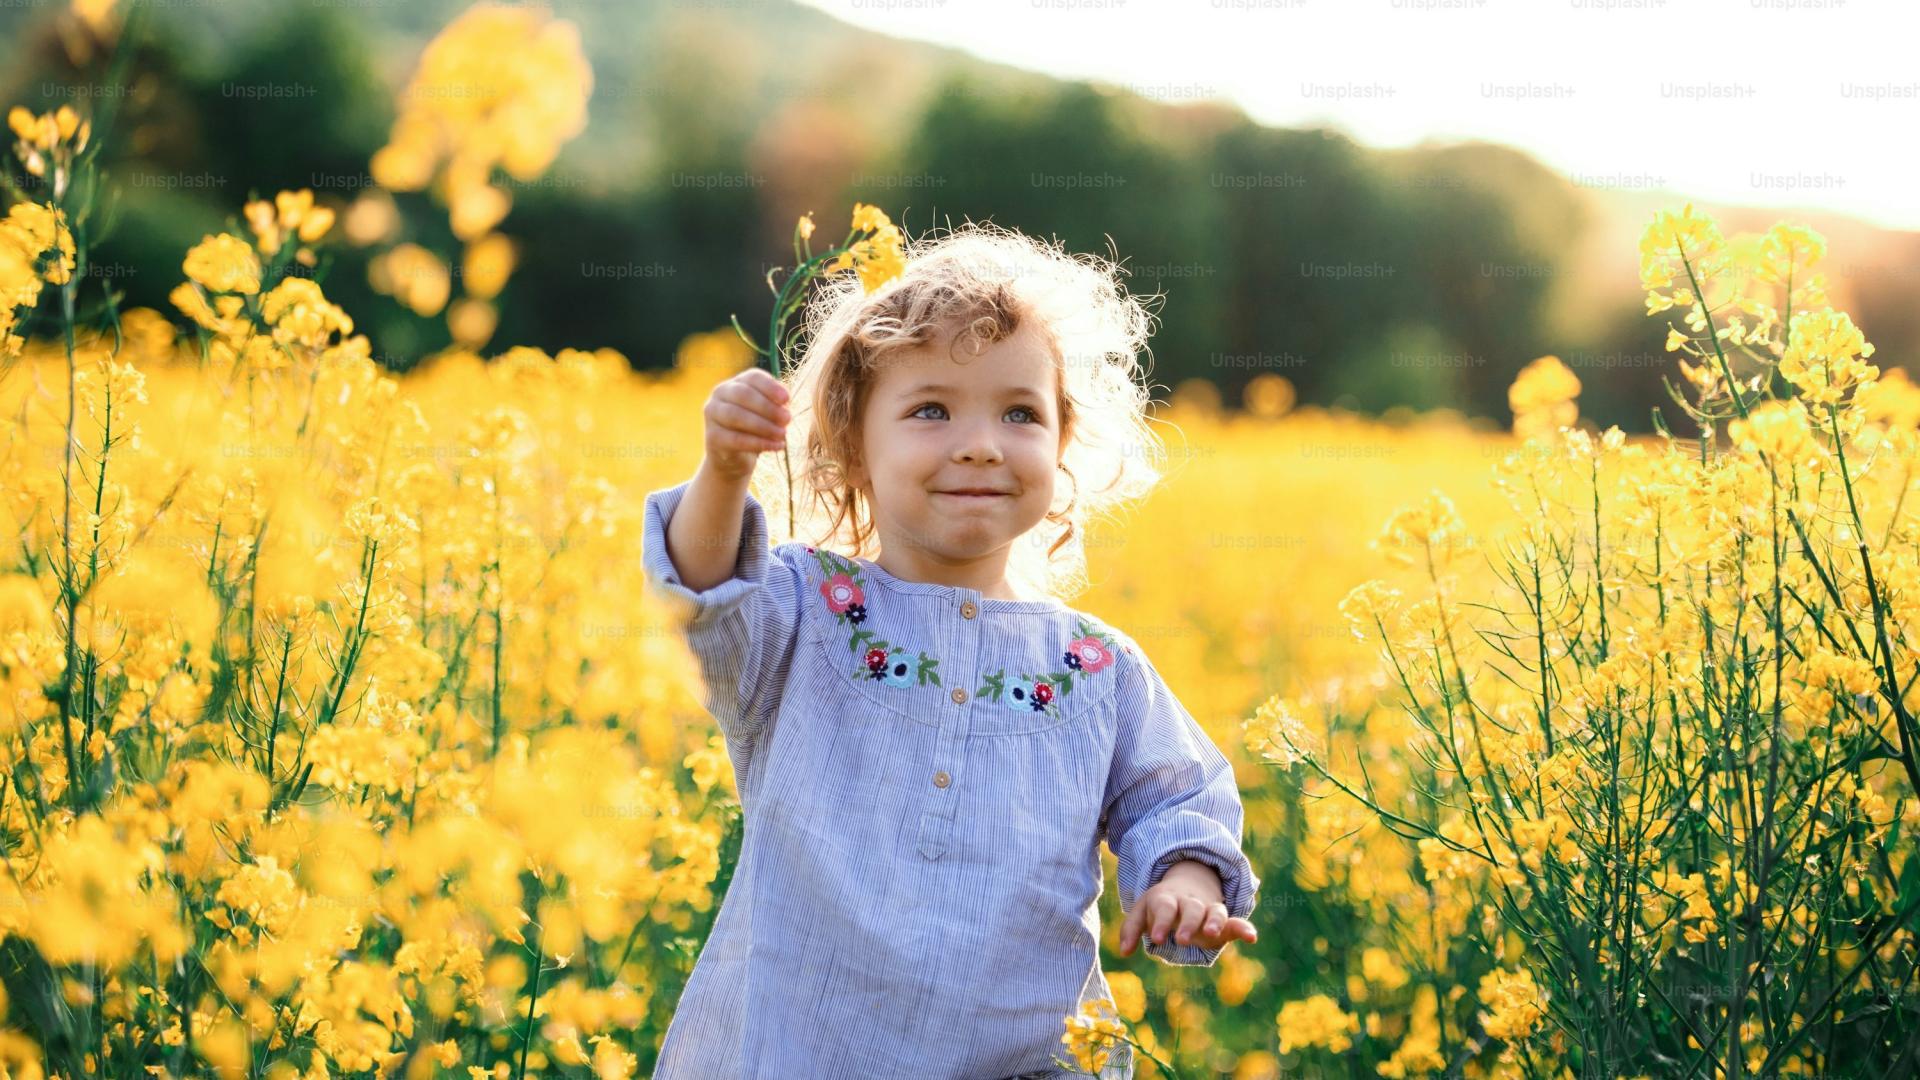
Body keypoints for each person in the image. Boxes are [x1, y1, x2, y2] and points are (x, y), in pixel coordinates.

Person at [642, 222, 1259, 1079]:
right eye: (931, 409)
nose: (980, 442)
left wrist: (1184, 881)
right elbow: (701, 591)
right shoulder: (803, 612)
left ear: (1061, 447)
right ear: (854, 445)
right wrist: (723, 469)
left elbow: (1178, 795)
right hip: (801, 1052)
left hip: (1025, 1062)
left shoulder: (1096, 666)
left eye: (1020, 413)